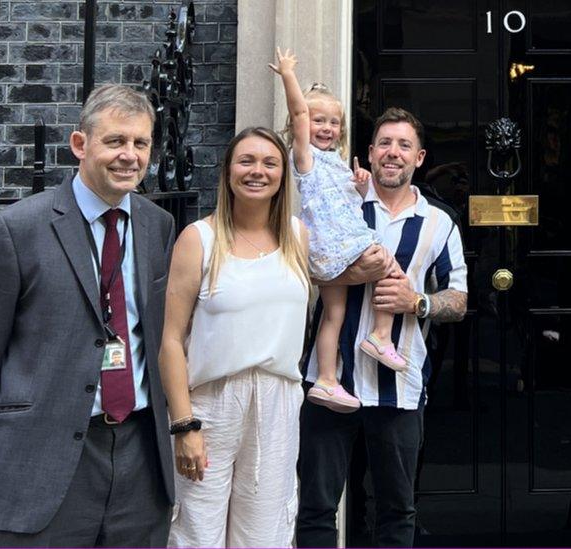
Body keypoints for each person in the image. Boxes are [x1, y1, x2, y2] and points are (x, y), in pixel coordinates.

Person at [0, 84, 175, 546]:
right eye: (115, 141)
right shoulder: (18, 228)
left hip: (138, 455)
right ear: (80, 145)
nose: (129, 156)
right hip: (44, 457)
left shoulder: (158, 226)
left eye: (140, 143)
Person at [297, 107, 468, 547]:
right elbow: (294, 265)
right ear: (369, 153)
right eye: (385, 144)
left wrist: (419, 301)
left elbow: (459, 299)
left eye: (404, 145)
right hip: (329, 383)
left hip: (400, 387)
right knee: (316, 507)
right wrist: (346, 276)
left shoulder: (439, 222)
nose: (394, 153)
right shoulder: (340, 201)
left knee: (397, 509)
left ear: (420, 157)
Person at [160, 127, 310, 547]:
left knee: (267, 533)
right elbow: (171, 340)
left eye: (269, 162)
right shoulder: (199, 239)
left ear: (283, 173)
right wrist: (184, 424)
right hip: (211, 402)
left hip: (278, 399)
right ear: (227, 171)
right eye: (246, 161)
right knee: (196, 532)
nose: (257, 171)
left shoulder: (298, 237)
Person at [271, 49, 406, 413]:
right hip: (340, 242)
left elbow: (348, 200)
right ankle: (380, 335)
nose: (326, 128)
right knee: (389, 266)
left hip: (331, 246)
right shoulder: (305, 158)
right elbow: (298, 112)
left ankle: (327, 380)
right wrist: (287, 75)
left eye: (333, 122)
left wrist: (360, 183)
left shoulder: (335, 162)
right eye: (318, 121)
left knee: (333, 314)